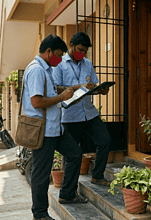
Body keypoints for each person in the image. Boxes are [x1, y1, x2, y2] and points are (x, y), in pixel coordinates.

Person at [22, 34, 88, 220]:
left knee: (75, 153)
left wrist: (76, 88)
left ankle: (67, 195)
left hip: (55, 129)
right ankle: (40, 214)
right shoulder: (36, 70)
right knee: (41, 174)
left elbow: (53, 89)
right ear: (49, 52)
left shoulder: (47, 69)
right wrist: (62, 98)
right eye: (58, 55)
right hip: (43, 131)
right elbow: (36, 102)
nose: (59, 60)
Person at [53, 32, 112, 187]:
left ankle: (97, 176)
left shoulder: (88, 64)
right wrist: (78, 87)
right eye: (80, 50)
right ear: (71, 46)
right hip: (70, 115)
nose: (83, 54)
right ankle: (68, 189)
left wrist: (101, 90)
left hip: (89, 113)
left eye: (85, 51)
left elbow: (93, 85)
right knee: (71, 155)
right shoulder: (60, 64)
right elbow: (56, 88)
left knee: (105, 140)